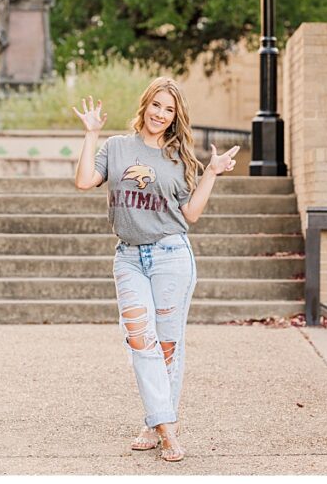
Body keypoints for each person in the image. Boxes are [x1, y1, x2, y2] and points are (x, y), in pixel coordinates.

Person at [73, 78, 238, 463]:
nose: (161, 115)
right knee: (139, 341)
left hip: (170, 256)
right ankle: (167, 428)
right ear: (145, 104)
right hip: (129, 258)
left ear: (175, 117)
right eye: (157, 105)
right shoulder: (115, 147)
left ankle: (157, 425)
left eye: (169, 110)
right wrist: (91, 134)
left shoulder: (179, 158)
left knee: (167, 345)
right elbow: (83, 181)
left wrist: (211, 173)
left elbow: (190, 214)